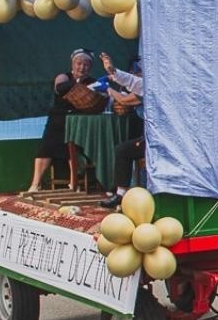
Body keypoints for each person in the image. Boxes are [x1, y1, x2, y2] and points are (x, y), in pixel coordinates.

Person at [27, 49, 97, 193]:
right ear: (73, 64)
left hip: (79, 122)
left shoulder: (92, 82)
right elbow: (59, 88)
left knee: (73, 151)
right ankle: (35, 185)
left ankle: (74, 185)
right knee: (45, 149)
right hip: (58, 120)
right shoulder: (64, 77)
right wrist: (77, 82)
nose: (82, 67)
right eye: (79, 63)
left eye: (86, 64)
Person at [98, 53, 145, 209]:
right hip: (149, 136)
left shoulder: (154, 87)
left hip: (161, 140)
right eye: (134, 70)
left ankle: (122, 194)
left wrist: (109, 90)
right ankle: (121, 194)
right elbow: (131, 81)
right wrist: (112, 70)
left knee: (123, 150)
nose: (136, 74)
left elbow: (124, 100)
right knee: (123, 149)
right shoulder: (143, 85)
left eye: (139, 70)